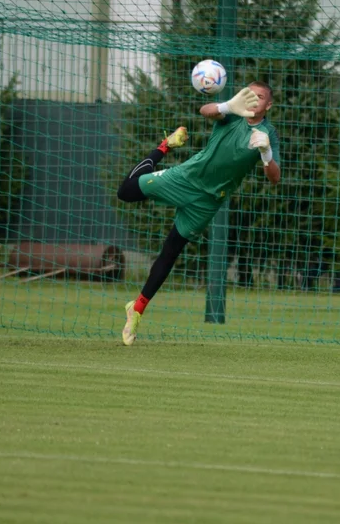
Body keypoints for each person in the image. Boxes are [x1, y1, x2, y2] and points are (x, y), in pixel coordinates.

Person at [116, 81, 281, 345]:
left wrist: (266, 152)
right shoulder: (232, 114)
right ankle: (165, 146)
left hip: (208, 200)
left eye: (260, 97)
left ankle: (136, 309)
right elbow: (205, 110)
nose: (253, 100)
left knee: (171, 252)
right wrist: (228, 105)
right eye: (249, 95)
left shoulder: (268, 133)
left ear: (268, 105)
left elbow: (274, 178)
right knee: (125, 192)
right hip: (186, 177)